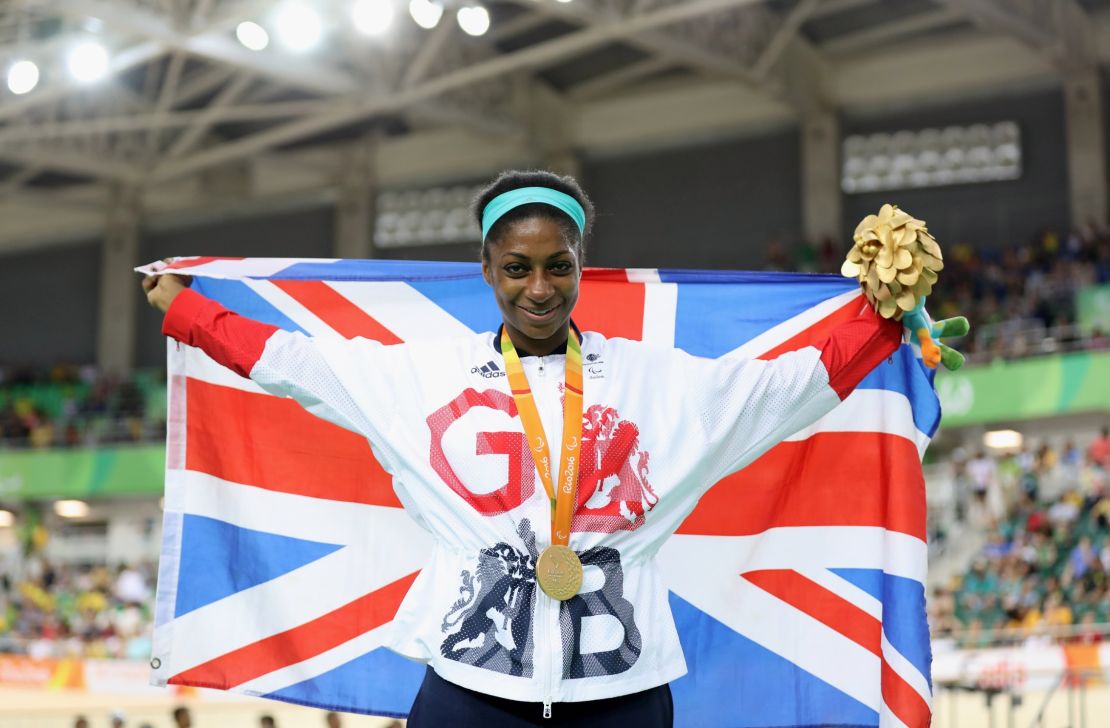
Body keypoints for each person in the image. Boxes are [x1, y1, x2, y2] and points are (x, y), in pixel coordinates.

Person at [143, 169, 939, 727]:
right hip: (467, 692)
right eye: (517, 268)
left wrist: (883, 313)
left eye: (558, 267)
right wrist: (187, 314)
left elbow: (788, 386)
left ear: (581, 267)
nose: (538, 287)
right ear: (487, 271)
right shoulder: (418, 378)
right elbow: (290, 363)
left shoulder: (658, 383)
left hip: (623, 696)